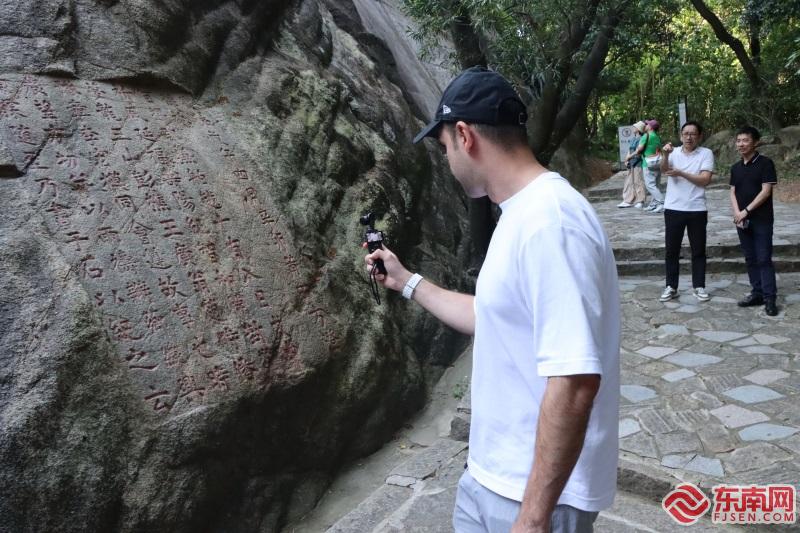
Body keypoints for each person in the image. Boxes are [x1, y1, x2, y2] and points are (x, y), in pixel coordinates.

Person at [363, 66, 620, 533]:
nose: (447, 159)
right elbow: (494, 318)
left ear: (464, 135)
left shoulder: (551, 222)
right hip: (490, 478)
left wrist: (533, 518)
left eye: (445, 147)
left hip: (533, 498)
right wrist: (406, 281)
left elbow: (575, 378)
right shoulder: (521, 213)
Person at [658, 121, 714, 303]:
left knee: (698, 250)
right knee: (671, 250)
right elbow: (664, 170)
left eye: (693, 134)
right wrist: (665, 155)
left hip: (697, 208)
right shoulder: (672, 152)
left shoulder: (706, 153)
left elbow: (705, 180)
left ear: (699, 136)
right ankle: (671, 286)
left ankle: (699, 286)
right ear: (681, 135)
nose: (689, 137)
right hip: (673, 208)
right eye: (685, 133)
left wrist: (681, 173)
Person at [730, 126, 779, 316]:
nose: (741, 144)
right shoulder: (736, 167)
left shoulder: (765, 163)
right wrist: (737, 213)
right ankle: (757, 293)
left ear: (755, 142)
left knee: (764, 259)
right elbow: (732, 191)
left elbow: (766, 192)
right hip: (742, 221)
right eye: (738, 140)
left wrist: (746, 211)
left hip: (762, 220)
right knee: (750, 258)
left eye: (745, 140)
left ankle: (769, 298)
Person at [632, 119, 664, 212]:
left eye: (647, 124)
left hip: (648, 163)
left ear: (650, 127)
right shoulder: (657, 136)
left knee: (650, 185)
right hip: (658, 162)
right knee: (656, 185)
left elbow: (639, 149)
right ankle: (654, 204)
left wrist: (630, 156)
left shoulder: (646, 136)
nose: (645, 126)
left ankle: (662, 203)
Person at [619, 121, 646, 208]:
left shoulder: (641, 139)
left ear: (638, 129)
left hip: (638, 162)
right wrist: (626, 159)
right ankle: (628, 200)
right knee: (629, 181)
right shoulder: (634, 138)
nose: (633, 128)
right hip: (631, 162)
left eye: (635, 127)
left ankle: (640, 200)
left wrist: (628, 158)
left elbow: (639, 152)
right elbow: (629, 150)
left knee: (638, 181)